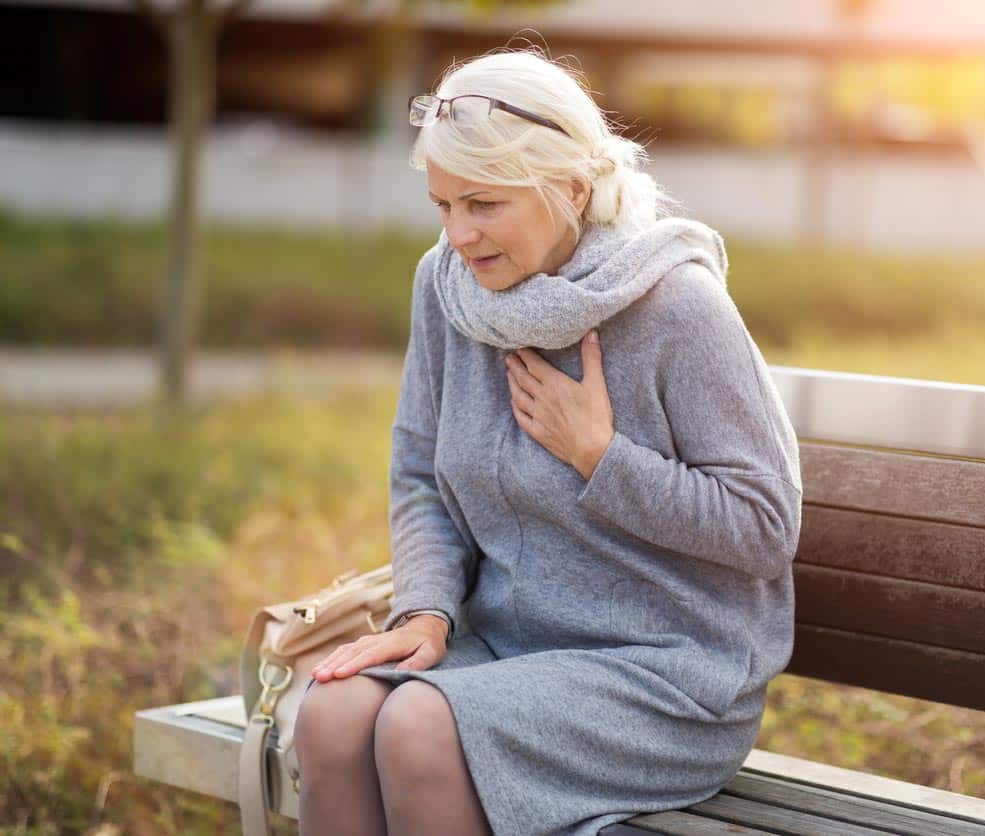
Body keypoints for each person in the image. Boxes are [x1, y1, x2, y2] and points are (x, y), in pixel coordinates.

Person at [292, 46, 802, 836]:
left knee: (418, 728)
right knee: (330, 715)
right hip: (503, 646)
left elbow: (765, 528)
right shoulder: (449, 288)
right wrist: (425, 612)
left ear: (570, 187)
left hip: (662, 673)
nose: (459, 235)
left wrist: (601, 457)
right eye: (443, 205)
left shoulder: (677, 307)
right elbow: (420, 473)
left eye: (484, 205)